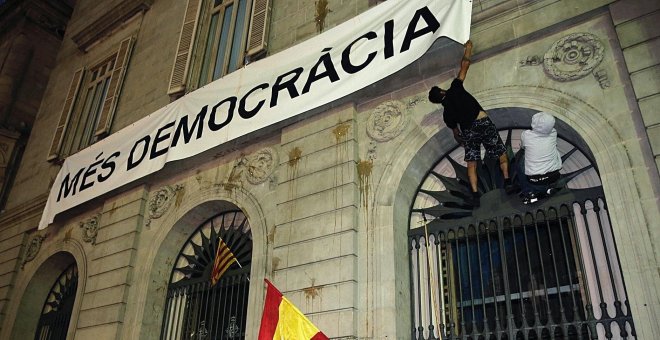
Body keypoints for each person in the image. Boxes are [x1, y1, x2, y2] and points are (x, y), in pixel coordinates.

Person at [428, 40, 512, 207]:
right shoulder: (455, 88)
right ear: (442, 91)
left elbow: (456, 132)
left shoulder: (447, 114)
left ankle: (474, 194)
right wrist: (468, 48)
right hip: (482, 122)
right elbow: (465, 66)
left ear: (438, 102)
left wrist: (462, 139)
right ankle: (507, 180)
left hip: (469, 131)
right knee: (500, 152)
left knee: (472, 163)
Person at [518, 111, 562, 204]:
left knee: (521, 162)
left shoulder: (526, 135)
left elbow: (522, 147)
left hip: (535, 181)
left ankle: (529, 192)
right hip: (554, 176)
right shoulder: (553, 132)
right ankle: (548, 189)